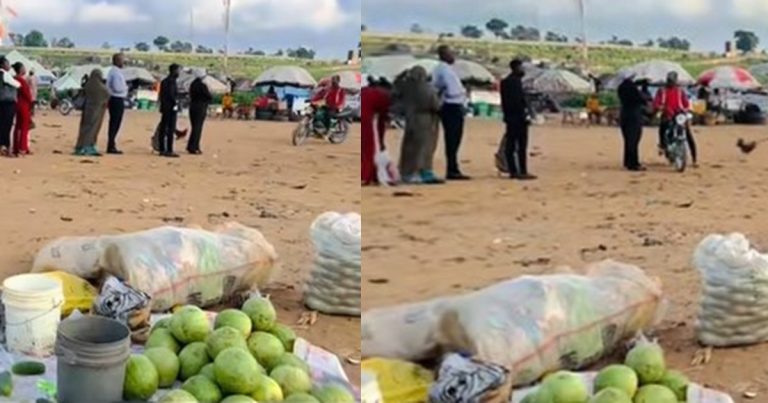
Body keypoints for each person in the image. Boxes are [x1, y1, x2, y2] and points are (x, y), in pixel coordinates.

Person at [396, 66, 443, 184]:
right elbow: (435, 105)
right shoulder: (427, 89)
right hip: (425, 120)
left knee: (409, 147)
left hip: (410, 119)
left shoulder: (406, 89)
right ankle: (421, 172)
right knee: (423, 147)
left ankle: (406, 172)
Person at [433, 45, 470, 180]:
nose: (453, 56)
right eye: (450, 54)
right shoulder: (443, 70)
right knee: (453, 138)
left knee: (454, 139)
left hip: (453, 105)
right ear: (443, 55)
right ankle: (452, 169)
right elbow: (449, 90)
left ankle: (453, 167)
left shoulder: (445, 69)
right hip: (451, 106)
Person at [500, 59, 536, 180]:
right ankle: (520, 170)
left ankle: (514, 170)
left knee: (512, 145)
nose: (523, 70)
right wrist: (525, 115)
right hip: (517, 118)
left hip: (511, 118)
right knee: (519, 145)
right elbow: (517, 102)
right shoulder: (513, 82)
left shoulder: (507, 82)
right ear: (515, 68)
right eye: (521, 67)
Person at [653, 71, 698, 166]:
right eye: (670, 81)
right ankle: (662, 145)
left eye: (673, 81)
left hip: (679, 115)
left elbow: (686, 103)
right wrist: (660, 107)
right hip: (667, 114)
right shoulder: (662, 91)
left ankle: (694, 159)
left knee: (688, 134)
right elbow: (656, 103)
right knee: (663, 127)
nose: (671, 83)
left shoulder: (680, 91)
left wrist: (687, 110)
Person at [361, 77, 392, 185]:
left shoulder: (366, 91)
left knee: (366, 149)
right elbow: (383, 118)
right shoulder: (383, 95)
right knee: (369, 149)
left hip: (365, 119)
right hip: (368, 121)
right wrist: (381, 139)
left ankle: (369, 174)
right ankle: (367, 176)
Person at [74, 69, 110, 157]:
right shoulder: (101, 88)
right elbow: (107, 95)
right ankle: (88, 146)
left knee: (84, 128)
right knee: (93, 128)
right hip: (97, 111)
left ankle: (80, 146)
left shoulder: (88, 85)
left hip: (87, 110)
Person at [617, 73, 647, 171]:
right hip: (634, 116)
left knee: (627, 139)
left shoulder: (621, 88)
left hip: (624, 115)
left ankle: (627, 161)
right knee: (634, 140)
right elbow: (643, 99)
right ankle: (633, 163)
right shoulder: (633, 89)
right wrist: (644, 88)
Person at [158, 63, 181, 158]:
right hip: (170, 108)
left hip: (164, 107)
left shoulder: (164, 81)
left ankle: (162, 148)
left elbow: (161, 95)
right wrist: (176, 103)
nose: (179, 72)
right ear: (174, 71)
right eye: (178, 70)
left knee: (163, 128)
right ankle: (169, 149)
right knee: (170, 128)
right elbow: (172, 95)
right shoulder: (171, 82)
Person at [106, 53, 128, 154]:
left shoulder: (115, 72)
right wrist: (126, 88)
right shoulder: (115, 73)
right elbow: (117, 87)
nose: (124, 62)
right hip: (116, 98)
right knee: (115, 123)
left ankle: (112, 143)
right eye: (122, 60)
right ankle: (111, 145)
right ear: (118, 61)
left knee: (115, 123)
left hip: (116, 98)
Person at [187, 69, 212, 154]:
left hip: (192, 106)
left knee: (194, 127)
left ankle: (191, 146)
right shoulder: (202, 85)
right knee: (198, 128)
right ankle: (194, 147)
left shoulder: (192, 84)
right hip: (200, 107)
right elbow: (209, 96)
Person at [0, 56, 20, 157]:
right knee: (7, 126)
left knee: (1, 125)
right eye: (7, 63)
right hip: (7, 103)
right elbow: (17, 85)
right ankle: (6, 148)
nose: (9, 65)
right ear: (2, 64)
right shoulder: (5, 74)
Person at [11, 63, 33, 156]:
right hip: (24, 105)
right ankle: (22, 148)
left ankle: (16, 147)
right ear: (20, 69)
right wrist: (31, 103)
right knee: (24, 127)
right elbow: (27, 94)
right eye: (24, 68)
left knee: (17, 127)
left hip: (16, 104)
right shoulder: (21, 80)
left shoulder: (13, 79)